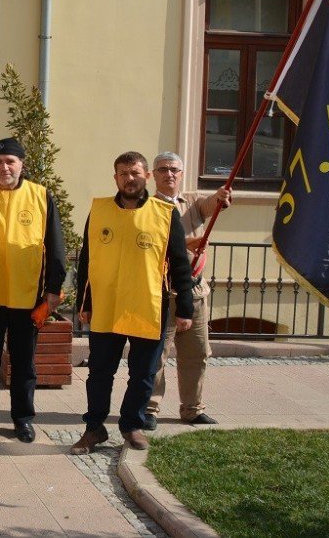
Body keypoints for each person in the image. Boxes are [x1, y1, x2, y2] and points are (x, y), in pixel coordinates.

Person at [70, 151, 194, 454]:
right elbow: (86, 259)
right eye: (123, 173)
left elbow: (179, 263)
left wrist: (186, 308)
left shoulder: (165, 213)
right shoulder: (99, 211)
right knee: (99, 373)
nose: (129, 179)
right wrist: (83, 304)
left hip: (146, 305)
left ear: (146, 177)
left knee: (142, 374)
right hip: (106, 306)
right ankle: (94, 428)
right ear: (116, 178)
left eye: (135, 173)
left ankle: (132, 425)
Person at [0, 137, 67, 443]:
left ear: (22, 165)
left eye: (10, 161)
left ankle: (22, 418)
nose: (4, 167)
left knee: (23, 361)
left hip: (26, 294)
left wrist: (53, 288)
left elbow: (55, 245)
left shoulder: (41, 196)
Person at [144, 152, 230, 429]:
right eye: (163, 169)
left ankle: (192, 409)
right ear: (153, 175)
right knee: (157, 355)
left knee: (197, 353)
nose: (169, 174)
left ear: (182, 174)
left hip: (194, 292)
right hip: (162, 293)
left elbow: (212, 204)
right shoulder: (145, 207)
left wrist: (222, 196)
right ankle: (149, 409)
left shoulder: (191, 201)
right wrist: (186, 244)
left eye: (174, 170)